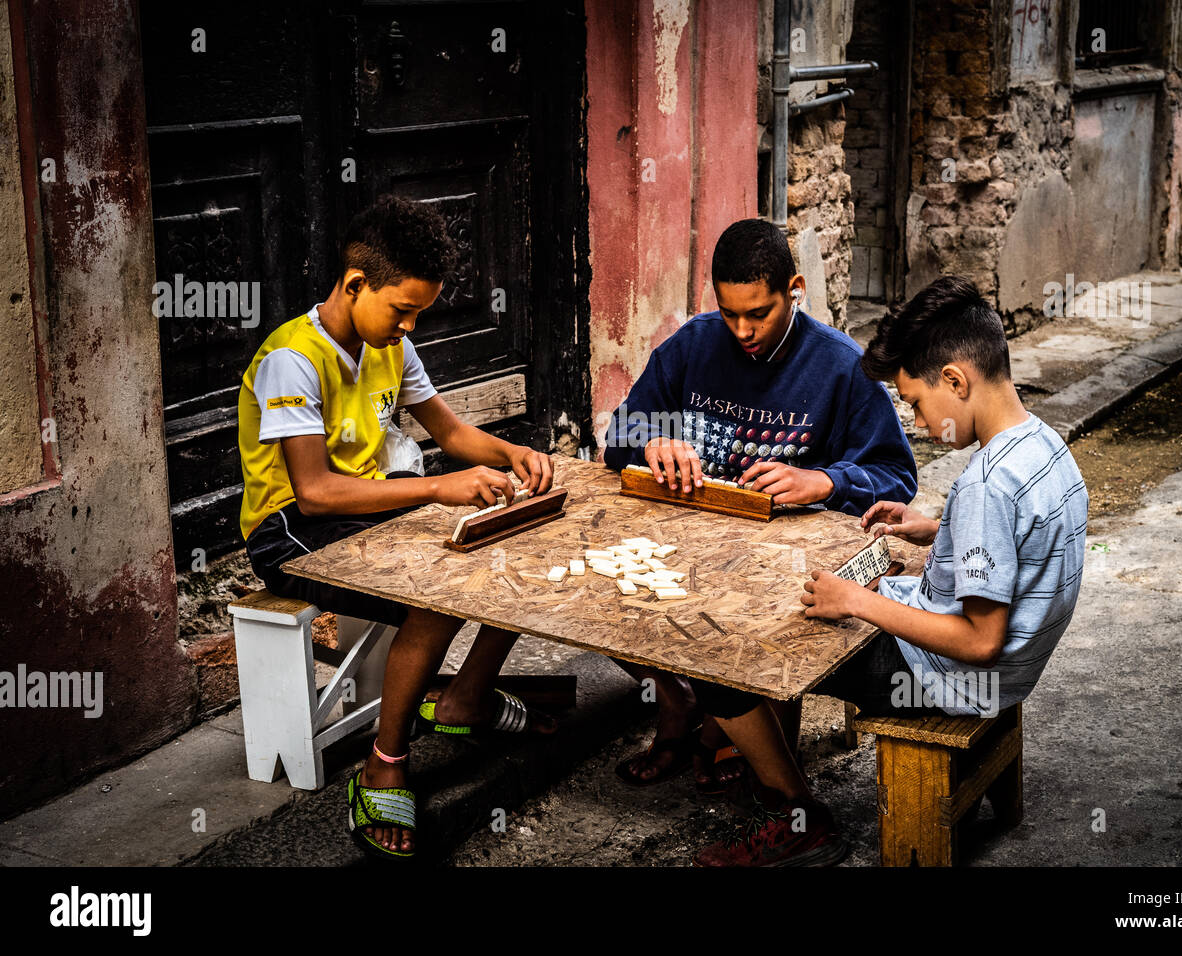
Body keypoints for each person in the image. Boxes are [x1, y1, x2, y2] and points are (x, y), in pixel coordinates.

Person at [686, 274, 1089, 866]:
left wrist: (857, 603)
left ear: (955, 380)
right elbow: (1024, 539)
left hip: (955, 678)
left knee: (720, 649)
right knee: (821, 587)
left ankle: (797, 814)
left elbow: (980, 641)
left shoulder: (985, 484)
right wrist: (937, 527)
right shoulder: (1042, 444)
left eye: (918, 405)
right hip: (1014, 670)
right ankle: (755, 748)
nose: (919, 424)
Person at [237, 195, 556, 861]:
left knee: (516, 544)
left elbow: (451, 430)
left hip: (366, 508)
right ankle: (385, 761)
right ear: (355, 285)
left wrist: (512, 454)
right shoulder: (291, 360)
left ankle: (465, 699)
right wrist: (440, 487)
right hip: (290, 528)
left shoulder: (390, 345)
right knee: (436, 593)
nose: (409, 326)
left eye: (419, 313)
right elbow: (317, 493)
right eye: (401, 308)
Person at [601, 218, 917, 795]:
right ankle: (680, 705)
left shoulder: (841, 366)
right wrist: (650, 440)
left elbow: (897, 478)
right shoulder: (693, 346)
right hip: (687, 545)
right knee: (598, 589)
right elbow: (618, 438)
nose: (742, 330)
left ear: (794, 288)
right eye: (729, 313)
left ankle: (739, 735)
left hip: (782, 570)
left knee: (751, 633)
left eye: (759, 313)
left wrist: (823, 480)